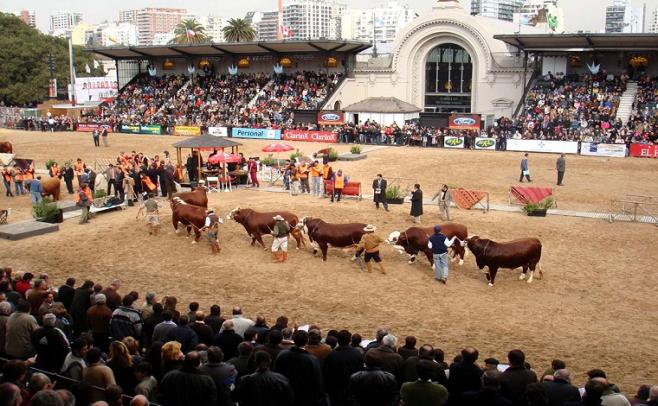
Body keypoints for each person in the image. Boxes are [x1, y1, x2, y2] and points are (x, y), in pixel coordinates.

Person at [273, 330, 327, 406]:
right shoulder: (312, 359)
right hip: (304, 396)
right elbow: (317, 380)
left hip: (284, 393)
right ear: (307, 341)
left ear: (293, 339)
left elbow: (276, 372)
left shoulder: (282, 354)